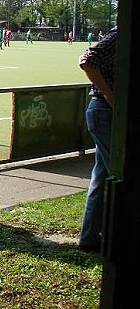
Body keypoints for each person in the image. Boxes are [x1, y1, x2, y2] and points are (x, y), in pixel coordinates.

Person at [78, 26, 117, 253]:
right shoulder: (120, 35)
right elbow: (87, 61)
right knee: (118, 173)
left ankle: (91, 237)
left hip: (103, 111)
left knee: (101, 176)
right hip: (105, 111)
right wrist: (111, 96)